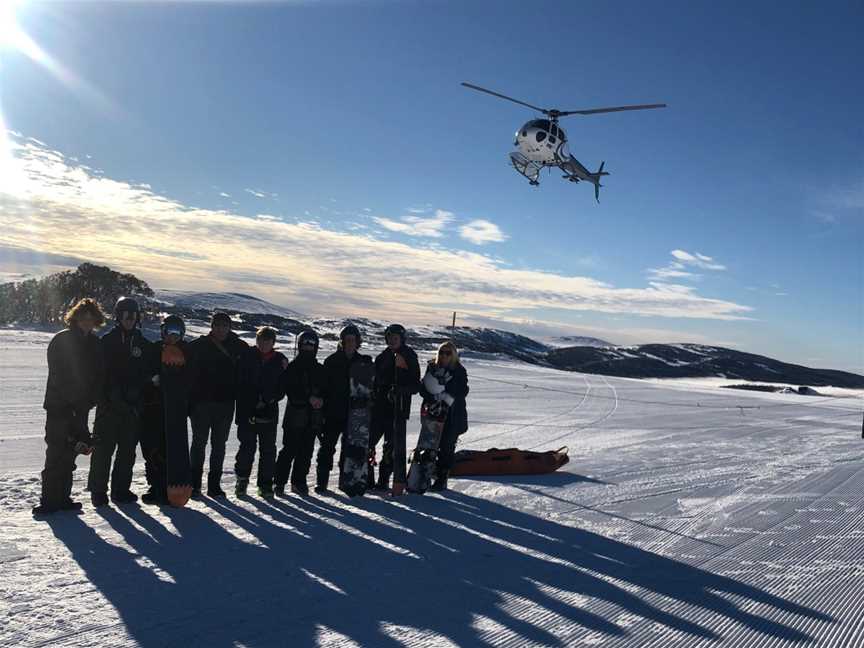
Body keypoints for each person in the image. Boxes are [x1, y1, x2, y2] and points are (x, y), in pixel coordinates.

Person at [33, 298, 106, 516]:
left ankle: (63, 498)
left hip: (81, 408)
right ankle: (48, 501)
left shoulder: (95, 344)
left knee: (71, 454)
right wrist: (71, 402)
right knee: (55, 452)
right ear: (75, 318)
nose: (86, 322)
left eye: (90, 318)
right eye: (83, 318)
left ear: (95, 320)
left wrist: (89, 401)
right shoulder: (61, 340)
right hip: (59, 407)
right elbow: (57, 375)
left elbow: (98, 377)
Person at [87, 297, 151, 507]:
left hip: (132, 408)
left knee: (127, 451)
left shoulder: (143, 344)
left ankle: (120, 490)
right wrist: (110, 397)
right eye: (126, 314)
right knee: (103, 451)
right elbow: (99, 375)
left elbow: (149, 373)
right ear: (118, 316)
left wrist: (137, 395)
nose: (130, 319)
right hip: (108, 407)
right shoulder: (107, 342)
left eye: (133, 315)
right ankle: (98, 491)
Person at [189, 312, 249, 498]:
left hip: (225, 404)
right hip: (201, 404)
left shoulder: (239, 346)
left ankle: (214, 485)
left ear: (229, 327)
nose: (221, 329)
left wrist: (281, 360)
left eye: (224, 325)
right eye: (217, 325)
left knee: (219, 445)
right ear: (212, 326)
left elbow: (256, 359)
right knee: (199, 443)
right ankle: (194, 484)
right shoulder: (198, 346)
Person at [140, 314, 196, 505]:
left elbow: (192, 379)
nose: (172, 336)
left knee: (172, 449)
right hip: (153, 407)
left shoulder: (188, 352)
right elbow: (142, 374)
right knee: (152, 449)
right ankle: (155, 486)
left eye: (176, 332)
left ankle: (170, 486)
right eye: (168, 331)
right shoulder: (154, 349)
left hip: (175, 410)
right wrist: (151, 380)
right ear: (162, 332)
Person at [317, 324, 372, 493]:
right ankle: (322, 482)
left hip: (354, 415)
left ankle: (346, 480)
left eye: (353, 340)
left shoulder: (362, 362)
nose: (349, 343)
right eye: (347, 340)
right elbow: (323, 388)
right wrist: (322, 412)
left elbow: (369, 390)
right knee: (326, 449)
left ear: (357, 342)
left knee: (349, 451)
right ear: (342, 341)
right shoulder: (331, 361)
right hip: (333, 412)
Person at [234, 326, 287, 498]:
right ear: (257, 341)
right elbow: (239, 382)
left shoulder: (280, 360)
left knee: (268, 450)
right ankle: (242, 480)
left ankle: (265, 485)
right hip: (247, 411)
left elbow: (282, 388)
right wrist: (250, 403)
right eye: (261, 340)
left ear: (273, 342)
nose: (264, 343)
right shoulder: (246, 355)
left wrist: (268, 399)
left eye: (267, 340)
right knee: (247, 448)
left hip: (269, 412)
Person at [274, 329, 326, 495]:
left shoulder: (319, 368)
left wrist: (321, 400)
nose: (308, 347)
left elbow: (325, 389)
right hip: (295, 415)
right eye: (305, 343)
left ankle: (299, 481)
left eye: (311, 344)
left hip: (313, 417)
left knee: (306, 451)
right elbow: (290, 389)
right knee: (289, 450)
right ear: (300, 345)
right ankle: (279, 482)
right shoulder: (292, 367)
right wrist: (308, 398)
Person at [370, 323, 420, 496]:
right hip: (379, 408)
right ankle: (368, 479)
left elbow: (416, 385)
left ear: (402, 339)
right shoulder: (382, 357)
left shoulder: (409, 356)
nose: (392, 341)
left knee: (391, 448)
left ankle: (384, 480)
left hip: (398, 410)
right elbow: (374, 381)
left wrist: (400, 390)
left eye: (395, 338)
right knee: (369, 443)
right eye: (389, 338)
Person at [418, 340, 469, 491]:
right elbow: (423, 387)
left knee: (446, 447)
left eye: (448, 353)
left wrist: (447, 395)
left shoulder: (459, 370)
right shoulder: (432, 367)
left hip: (452, 416)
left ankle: (442, 478)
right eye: (442, 352)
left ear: (453, 355)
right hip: (433, 413)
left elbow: (463, 390)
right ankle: (425, 475)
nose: (444, 355)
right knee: (429, 446)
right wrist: (432, 396)